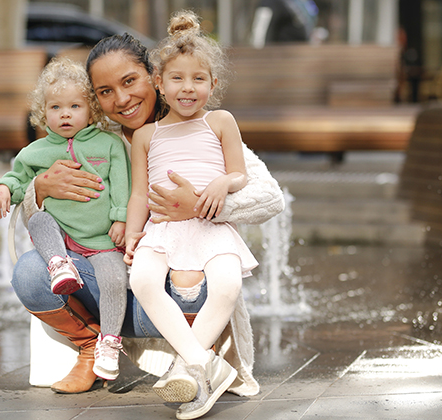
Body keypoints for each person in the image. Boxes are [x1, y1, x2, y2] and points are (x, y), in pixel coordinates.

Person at [9, 24, 285, 397]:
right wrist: (37, 191)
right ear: (94, 100)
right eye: (106, 92)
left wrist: (201, 206)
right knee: (30, 272)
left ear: (153, 79)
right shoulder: (87, 140)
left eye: (129, 81)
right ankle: (92, 348)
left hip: (175, 289)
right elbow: (32, 217)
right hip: (110, 284)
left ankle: (191, 360)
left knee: (200, 283)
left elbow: (269, 196)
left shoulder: (198, 126)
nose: (122, 99)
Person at [124, 11, 259, 419]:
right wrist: (133, 235)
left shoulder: (220, 121)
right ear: (160, 85)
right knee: (143, 280)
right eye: (178, 79)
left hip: (211, 227)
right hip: (163, 230)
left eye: (199, 79)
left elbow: (239, 173)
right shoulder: (147, 136)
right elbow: (138, 194)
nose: (188, 88)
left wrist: (223, 184)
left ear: (213, 85)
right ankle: (205, 366)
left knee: (227, 286)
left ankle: (188, 369)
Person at [0, 57, 130, 381]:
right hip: (63, 245)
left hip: (103, 243)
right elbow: (17, 179)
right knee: (39, 220)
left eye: (75, 106)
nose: (65, 114)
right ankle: (57, 265)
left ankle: (108, 342)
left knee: (113, 279)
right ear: (43, 112)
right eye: (55, 107)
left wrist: (120, 218)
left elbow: (122, 184)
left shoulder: (108, 145)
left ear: (91, 109)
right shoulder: (34, 152)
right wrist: (1, 190)